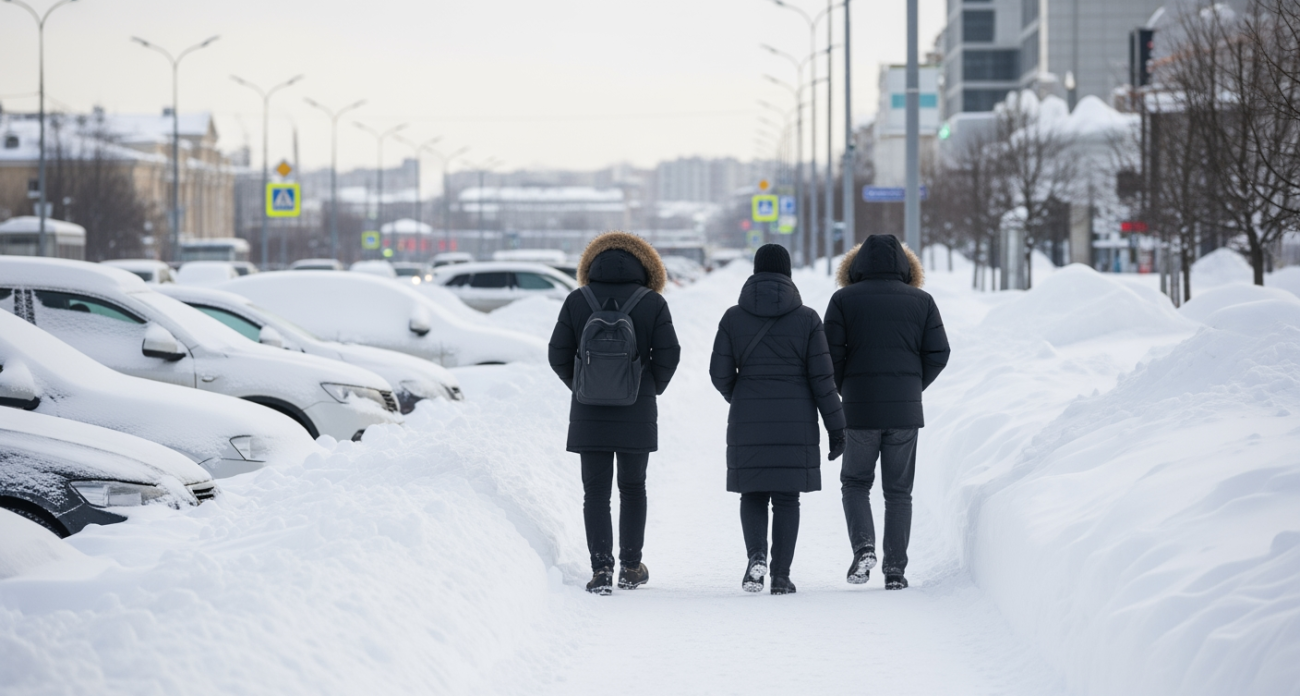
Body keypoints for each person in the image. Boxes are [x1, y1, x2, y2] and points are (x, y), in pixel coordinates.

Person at [548, 231, 680, 595]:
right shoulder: (652, 302)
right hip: (637, 409)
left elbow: (557, 354)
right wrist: (646, 387)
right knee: (633, 488)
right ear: (645, 265)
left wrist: (583, 385)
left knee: (595, 492)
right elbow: (669, 354)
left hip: (589, 411)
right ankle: (631, 567)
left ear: (591, 264)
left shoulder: (578, 300)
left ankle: (601, 569)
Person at [709, 244, 845, 595]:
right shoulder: (808, 319)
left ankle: (756, 557)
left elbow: (719, 373)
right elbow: (823, 381)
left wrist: (740, 395)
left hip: (748, 417)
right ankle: (781, 576)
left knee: (752, 494)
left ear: (755, 271)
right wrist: (836, 428)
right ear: (788, 273)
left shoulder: (733, 318)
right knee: (787, 498)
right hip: (796, 419)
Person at [824, 234, 950, 591]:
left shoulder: (843, 300)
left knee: (855, 483)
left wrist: (846, 387)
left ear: (856, 266)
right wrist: (912, 386)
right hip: (904, 413)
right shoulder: (922, 301)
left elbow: (827, 355)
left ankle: (864, 547)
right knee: (898, 492)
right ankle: (895, 570)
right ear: (906, 267)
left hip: (859, 409)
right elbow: (938, 353)